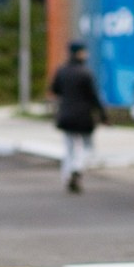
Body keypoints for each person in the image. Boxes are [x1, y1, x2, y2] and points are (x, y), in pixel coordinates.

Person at [49, 40, 101, 194]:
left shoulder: (62, 71)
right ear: (79, 53)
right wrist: (103, 115)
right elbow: (94, 97)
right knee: (88, 146)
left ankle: (67, 177)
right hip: (83, 116)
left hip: (66, 114)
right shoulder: (85, 73)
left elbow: (54, 89)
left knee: (69, 149)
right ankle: (77, 169)